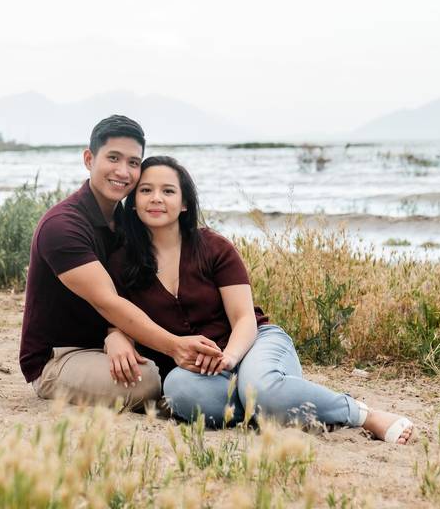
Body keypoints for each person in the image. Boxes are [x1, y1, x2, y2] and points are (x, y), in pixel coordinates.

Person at [105, 156, 414, 444]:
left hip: (254, 344)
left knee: (260, 388)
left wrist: (230, 356)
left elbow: (243, 318)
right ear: (133, 203)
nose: (156, 198)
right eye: (146, 190)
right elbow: (115, 312)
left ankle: (363, 414)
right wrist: (115, 336)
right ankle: (273, 408)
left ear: (184, 203)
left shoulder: (214, 247)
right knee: (178, 390)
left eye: (168, 191)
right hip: (200, 372)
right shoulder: (122, 261)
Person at [19, 116, 224, 411]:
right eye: (113, 158)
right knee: (149, 380)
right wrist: (175, 346)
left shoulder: (128, 222)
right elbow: (108, 301)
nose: (123, 171)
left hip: (113, 341)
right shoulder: (62, 226)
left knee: (164, 366)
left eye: (133, 162)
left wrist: (115, 334)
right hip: (61, 356)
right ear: (89, 159)